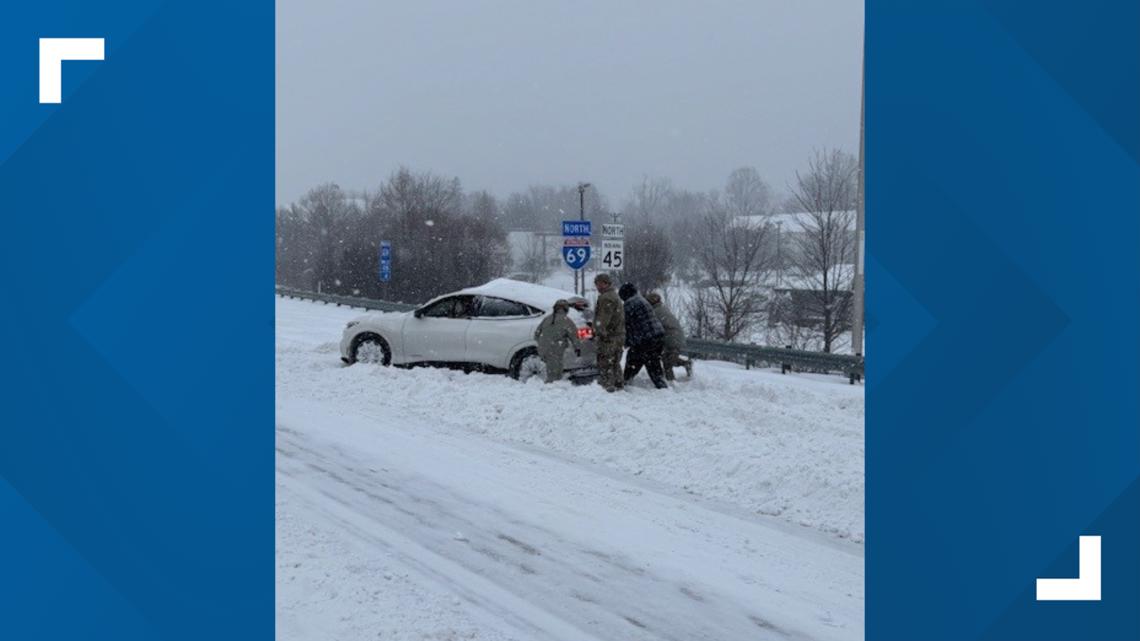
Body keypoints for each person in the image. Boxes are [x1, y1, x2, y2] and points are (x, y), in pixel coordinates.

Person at [618, 283, 668, 389]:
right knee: (651, 360)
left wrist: (624, 341)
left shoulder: (630, 304)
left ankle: (626, 381)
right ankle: (660, 383)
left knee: (637, 359)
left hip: (645, 338)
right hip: (657, 336)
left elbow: (624, 324)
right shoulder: (641, 300)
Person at [645, 291, 693, 380]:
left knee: (668, 361)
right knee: (667, 359)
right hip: (675, 336)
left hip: (672, 338)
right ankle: (672, 377)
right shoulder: (662, 308)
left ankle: (671, 380)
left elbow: (651, 326)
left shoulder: (655, 311)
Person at [532, 299, 581, 383]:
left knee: (550, 367)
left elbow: (536, 334)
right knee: (556, 369)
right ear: (566, 309)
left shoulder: (547, 318)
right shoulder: (566, 320)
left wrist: (542, 342)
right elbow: (574, 336)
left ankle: (553, 384)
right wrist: (577, 347)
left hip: (543, 347)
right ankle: (552, 387)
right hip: (556, 348)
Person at [592, 274, 625, 392]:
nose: (598, 286)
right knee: (615, 361)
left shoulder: (606, 298)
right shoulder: (614, 296)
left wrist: (598, 331)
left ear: (607, 284)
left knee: (605, 361)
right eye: (596, 283)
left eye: (600, 283)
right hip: (619, 335)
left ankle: (608, 386)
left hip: (609, 336)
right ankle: (619, 383)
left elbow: (603, 319)